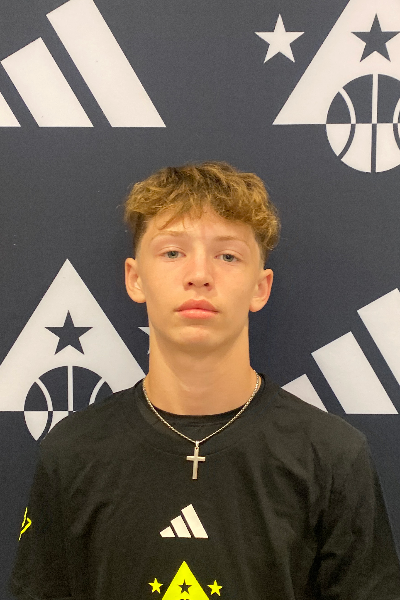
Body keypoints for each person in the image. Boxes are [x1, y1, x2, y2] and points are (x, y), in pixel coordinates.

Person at [9, 162, 400, 599]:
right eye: (172, 253)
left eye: (227, 256)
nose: (199, 274)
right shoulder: (73, 452)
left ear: (260, 287)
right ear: (135, 278)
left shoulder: (332, 457)